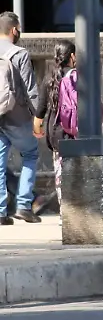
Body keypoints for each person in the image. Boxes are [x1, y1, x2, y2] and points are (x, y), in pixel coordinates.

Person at [0, 13, 42, 225]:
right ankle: (24, 205)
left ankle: (0, 211)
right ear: (14, 30)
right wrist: (38, 116)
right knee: (31, 153)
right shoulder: (20, 53)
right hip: (16, 115)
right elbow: (30, 89)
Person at [38, 41, 77, 206]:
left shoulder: (49, 79)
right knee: (79, 173)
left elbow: (40, 111)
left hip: (56, 134)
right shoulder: (78, 77)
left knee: (61, 173)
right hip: (77, 132)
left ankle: (65, 213)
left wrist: (37, 129)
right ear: (73, 56)